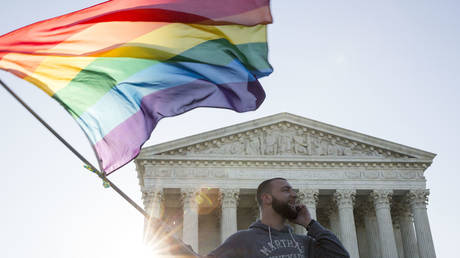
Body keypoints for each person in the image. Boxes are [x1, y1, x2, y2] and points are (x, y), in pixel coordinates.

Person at [207, 178, 349, 258]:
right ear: (267, 198)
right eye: (286, 190)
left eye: (293, 190)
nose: (294, 194)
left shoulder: (306, 243)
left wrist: (310, 224)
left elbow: (341, 256)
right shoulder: (242, 240)